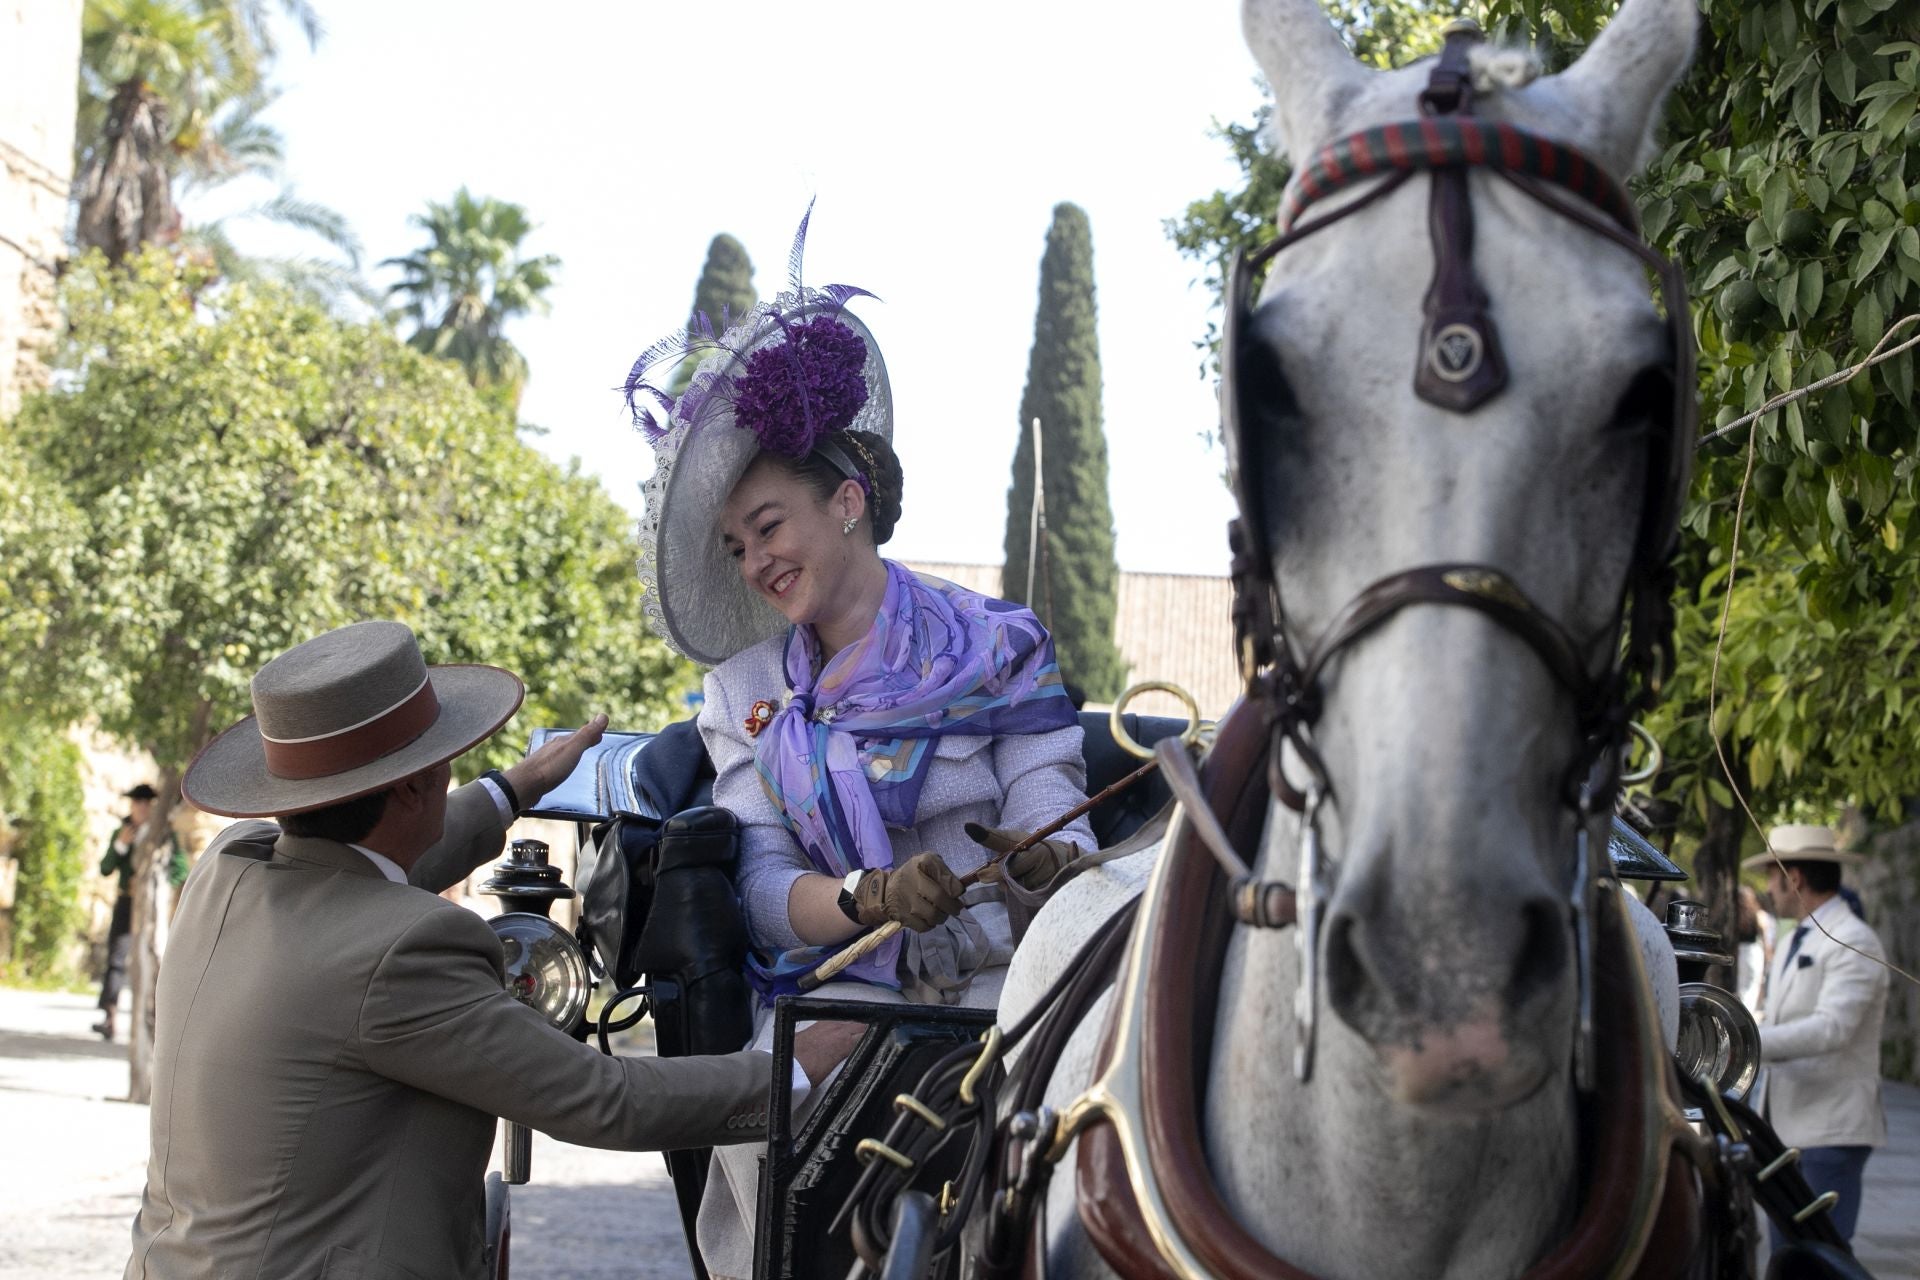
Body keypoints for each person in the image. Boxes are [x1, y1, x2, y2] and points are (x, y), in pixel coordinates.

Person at [625, 215, 1096, 1278]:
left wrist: (1036, 861)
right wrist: (870, 898)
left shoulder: (999, 643)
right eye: (738, 545)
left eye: (770, 525)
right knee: (780, 1100)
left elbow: (1046, 788)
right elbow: (759, 883)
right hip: (840, 995)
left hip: (1006, 987)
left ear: (847, 503)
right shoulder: (742, 689)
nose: (755, 561)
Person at [125, 620, 861, 1280]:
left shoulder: (233, 863)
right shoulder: (405, 948)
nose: (452, 773)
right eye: (446, 760)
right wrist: (792, 1069)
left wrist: (513, 789)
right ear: (415, 788)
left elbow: (379, 860)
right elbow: (606, 1102)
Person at [1743, 823, 1890, 1247]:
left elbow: (1833, 1028)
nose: (1769, 888)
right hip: (1787, 1127)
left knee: (1817, 1257)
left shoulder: (1855, 940)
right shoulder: (1796, 939)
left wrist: (1749, 1039)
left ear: (1795, 878)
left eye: (1772, 876)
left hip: (1830, 1130)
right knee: (1789, 1255)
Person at [92, 784, 189, 1041]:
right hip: (126, 902)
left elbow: (180, 868)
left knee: (153, 957)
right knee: (116, 958)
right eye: (138, 803)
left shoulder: (163, 835)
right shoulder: (123, 832)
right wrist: (120, 846)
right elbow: (105, 868)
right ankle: (109, 1015)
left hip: (151, 906)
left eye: (146, 803)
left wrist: (160, 883)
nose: (142, 808)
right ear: (132, 806)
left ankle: (155, 1018)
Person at [1734, 882, 1776, 1015]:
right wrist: (1768, 958)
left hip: (1738, 952)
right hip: (1752, 953)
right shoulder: (1758, 915)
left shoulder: (1734, 916)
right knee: (1751, 988)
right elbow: (1765, 939)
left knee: (1741, 987)